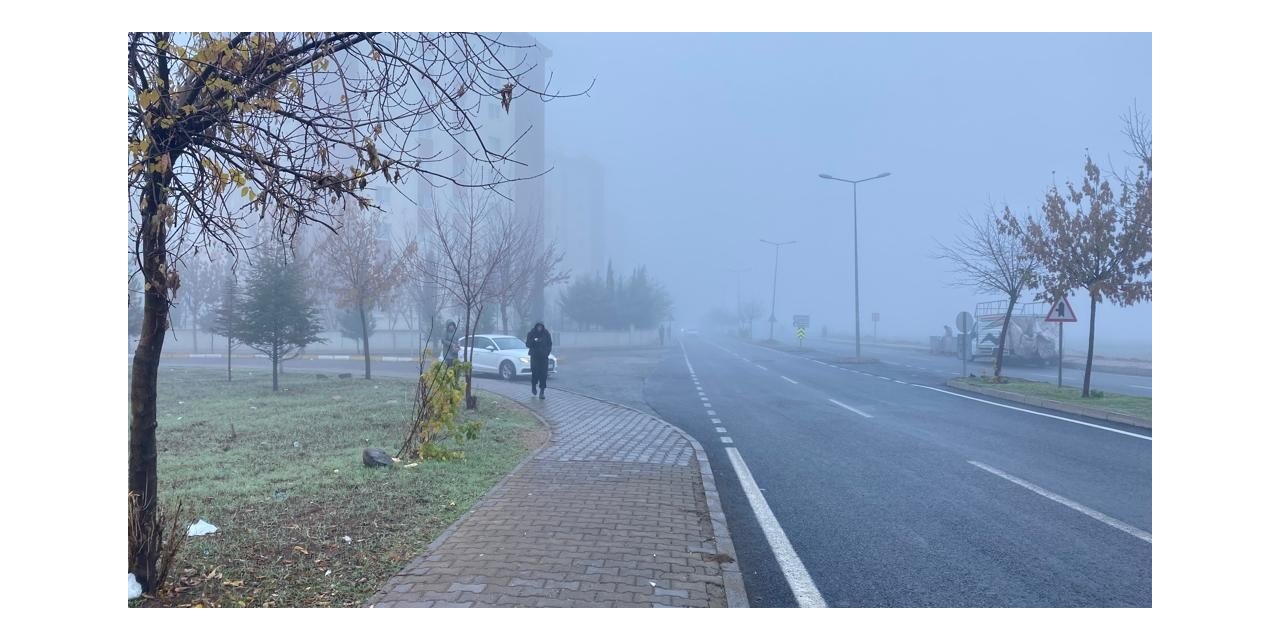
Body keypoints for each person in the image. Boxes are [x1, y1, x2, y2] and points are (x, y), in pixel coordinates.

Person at [525, 321, 553, 398]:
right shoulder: (531, 333)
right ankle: (533, 386)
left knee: (543, 375)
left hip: (544, 358)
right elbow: (527, 344)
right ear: (536, 327)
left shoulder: (546, 333)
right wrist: (534, 341)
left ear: (543, 327)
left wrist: (546, 352)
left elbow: (550, 344)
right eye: (538, 327)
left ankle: (542, 392)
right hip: (534, 357)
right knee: (535, 373)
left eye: (541, 327)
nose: (539, 328)